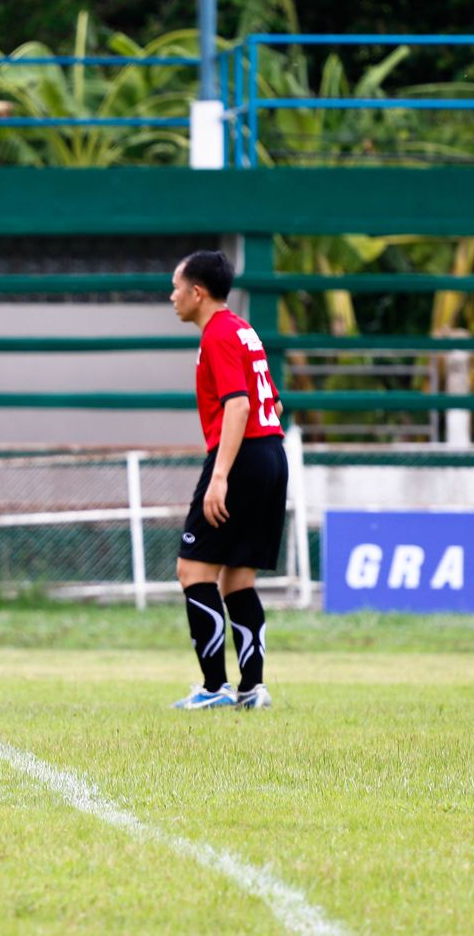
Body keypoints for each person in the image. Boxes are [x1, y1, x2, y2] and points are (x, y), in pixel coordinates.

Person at [168, 250, 284, 711]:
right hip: (271, 453)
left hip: (241, 457)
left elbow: (238, 405)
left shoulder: (217, 333)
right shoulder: (242, 329)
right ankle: (252, 688)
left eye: (176, 288)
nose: (172, 297)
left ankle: (214, 686)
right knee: (238, 577)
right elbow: (272, 404)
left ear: (197, 292)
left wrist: (220, 476)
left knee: (193, 570)